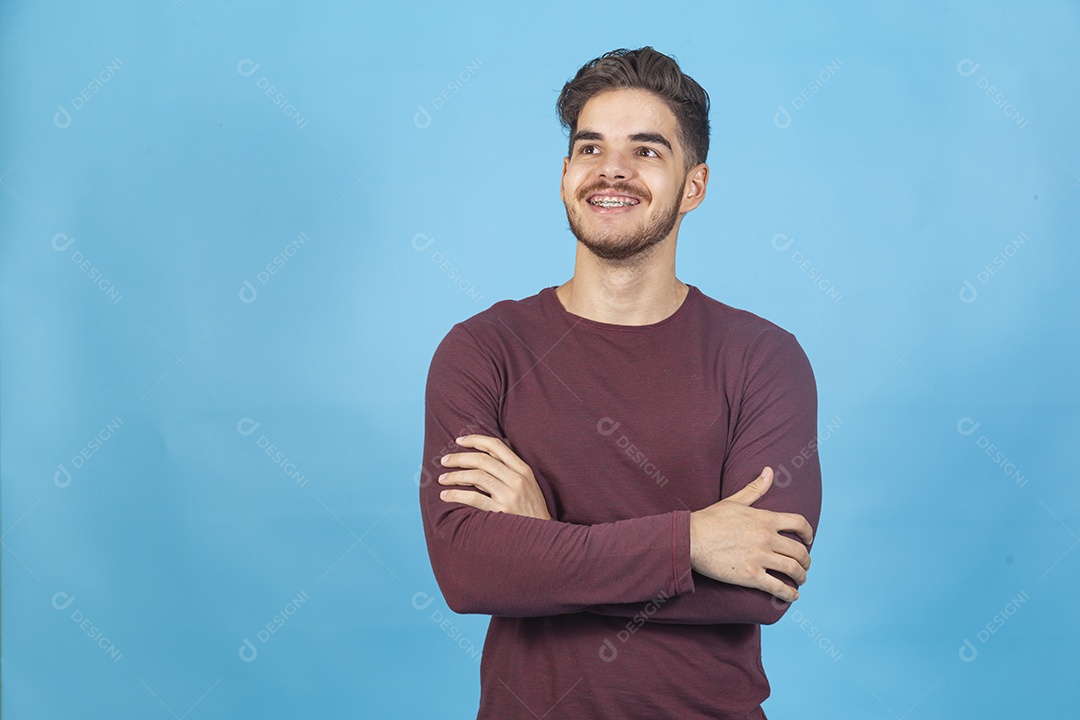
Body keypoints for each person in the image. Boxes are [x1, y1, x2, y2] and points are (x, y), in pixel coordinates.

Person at [419, 46, 821, 720]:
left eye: (647, 151)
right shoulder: (482, 350)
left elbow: (762, 585)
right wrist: (690, 544)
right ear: (565, 174)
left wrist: (542, 543)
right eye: (591, 148)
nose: (613, 170)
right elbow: (467, 571)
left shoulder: (763, 357)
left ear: (694, 185)